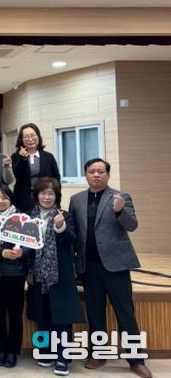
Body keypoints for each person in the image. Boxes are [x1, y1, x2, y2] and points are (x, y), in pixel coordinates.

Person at [69, 159, 152, 378]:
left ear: (108, 175)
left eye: (100, 171)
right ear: (86, 174)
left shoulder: (121, 197)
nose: (96, 175)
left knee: (125, 313)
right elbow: (74, 233)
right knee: (95, 313)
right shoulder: (76, 200)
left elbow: (132, 226)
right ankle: (98, 354)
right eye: (92, 171)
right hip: (89, 266)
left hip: (116, 265)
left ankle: (136, 360)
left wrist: (120, 211)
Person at [27, 177, 84, 377]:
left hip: (59, 274)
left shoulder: (64, 215)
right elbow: (26, 247)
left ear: (56, 196)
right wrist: (28, 269)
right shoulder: (29, 217)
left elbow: (72, 240)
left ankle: (62, 357)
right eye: (43, 193)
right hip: (37, 274)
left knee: (62, 318)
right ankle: (45, 352)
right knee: (41, 316)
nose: (46, 197)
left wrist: (60, 227)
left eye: (50, 193)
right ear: (37, 195)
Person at [0, 184, 31, 368]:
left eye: (5, 198)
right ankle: (1, 349)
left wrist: (22, 253)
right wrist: (0, 252)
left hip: (15, 273)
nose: (1, 201)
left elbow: (30, 244)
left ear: (11, 200)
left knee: (15, 314)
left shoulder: (21, 218)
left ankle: (12, 351)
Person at [11, 123, 61, 213]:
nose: (30, 139)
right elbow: (18, 175)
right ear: (21, 140)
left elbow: (56, 178)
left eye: (33, 135)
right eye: (26, 136)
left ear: (38, 137)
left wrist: (56, 198)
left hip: (45, 198)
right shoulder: (16, 157)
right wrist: (23, 159)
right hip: (23, 199)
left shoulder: (48, 157)